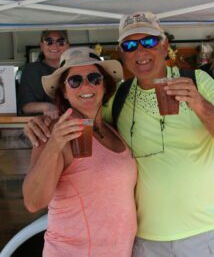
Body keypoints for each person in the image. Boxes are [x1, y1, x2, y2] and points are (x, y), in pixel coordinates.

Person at [24, 12, 214, 257]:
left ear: (164, 45)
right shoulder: (118, 97)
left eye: (149, 42)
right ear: (122, 53)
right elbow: (84, 112)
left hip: (203, 235)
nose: (140, 51)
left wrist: (200, 105)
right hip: (145, 242)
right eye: (130, 45)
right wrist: (45, 124)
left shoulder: (197, 81)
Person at [22, 47, 137, 257]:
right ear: (64, 91)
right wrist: (54, 144)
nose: (86, 85)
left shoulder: (111, 129)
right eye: (75, 80)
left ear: (105, 85)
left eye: (94, 78)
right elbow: (33, 201)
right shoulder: (54, 132)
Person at [18, 30, 70, 118]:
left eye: (60, 41)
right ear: (41, 46)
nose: (54, 45)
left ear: (68, 46)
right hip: (40, 125)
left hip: (73, 121)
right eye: (49, 41)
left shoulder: (74, 68)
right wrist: (47, 107)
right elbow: (26, 107)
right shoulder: (31, 70)